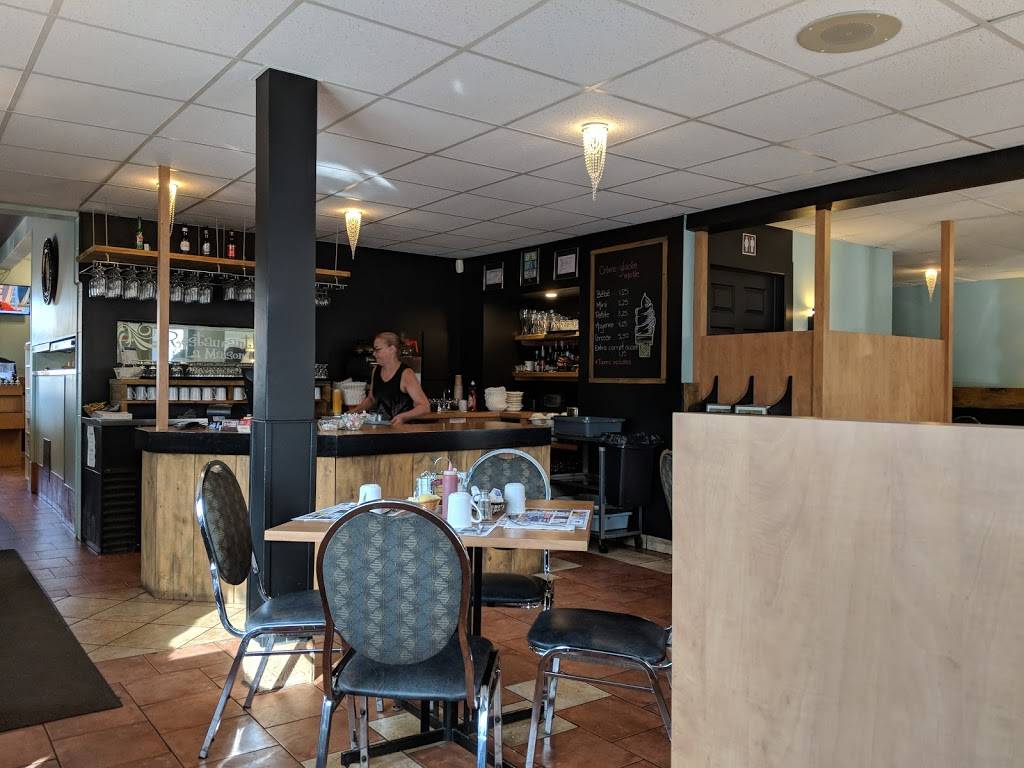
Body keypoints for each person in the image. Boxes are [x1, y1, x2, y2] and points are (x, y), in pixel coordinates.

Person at [352, 332, 430, 424]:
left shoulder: (406, 374)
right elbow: (372, 399)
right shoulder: (376, 370)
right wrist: (352, 413)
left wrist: (403, 417)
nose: (374, 353)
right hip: (382, 428)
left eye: (378, 349)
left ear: (392, 349)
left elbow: (424, 406)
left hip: (402, 429)